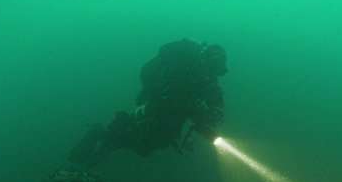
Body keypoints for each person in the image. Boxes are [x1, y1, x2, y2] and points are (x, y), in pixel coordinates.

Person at [69, 39, 228, 166]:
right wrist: (154, 95)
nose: (212, 72)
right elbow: (168, 87)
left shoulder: (209, 77)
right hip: (158, 104)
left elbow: (213, 97)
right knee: (139, 139)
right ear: (205, 58)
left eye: (216, 70)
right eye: (212, 66)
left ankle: (108, 140)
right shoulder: (184, 65)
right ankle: (102, 134)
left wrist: (216, 111)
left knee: (147, 147)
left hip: (173, 114)